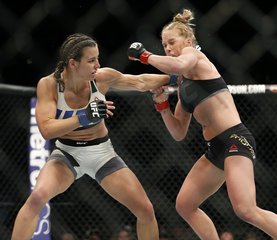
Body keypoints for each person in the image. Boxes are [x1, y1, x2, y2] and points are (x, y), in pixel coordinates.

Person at [127, 8, 277, 240]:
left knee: (246, 210)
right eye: (164, 45)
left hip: (235, 139)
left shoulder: (194, 57)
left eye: (171, 42)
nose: (167, 48)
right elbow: (178, 132)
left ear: (187, 40)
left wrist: (144, 56)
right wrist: (162, 105)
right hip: (215, 148)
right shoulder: (184, 87)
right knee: (185, 205)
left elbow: (177, 66)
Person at [11, 33, 170, 240]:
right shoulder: (49, 85)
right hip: (67, 154)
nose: (98, 65)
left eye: (97, 58)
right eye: (91, 60)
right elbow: (47, 130)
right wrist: (84, 116)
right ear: (73, 63)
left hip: (102, 153)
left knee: (145, 209)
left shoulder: (101, 78)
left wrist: (177, 77)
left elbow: (140, 81)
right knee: (36, 198)